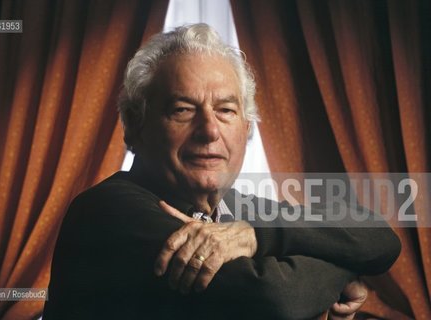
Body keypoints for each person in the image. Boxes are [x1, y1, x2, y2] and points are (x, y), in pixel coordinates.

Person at [43, 24, 401, 319]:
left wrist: (255, 234)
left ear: (247, 129)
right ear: (134, 128)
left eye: (226, 110)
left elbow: (380, 239)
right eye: (183, 109)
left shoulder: (236, 213)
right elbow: (275, 299)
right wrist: (344, 270)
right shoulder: (106, 211)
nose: (210, 130)